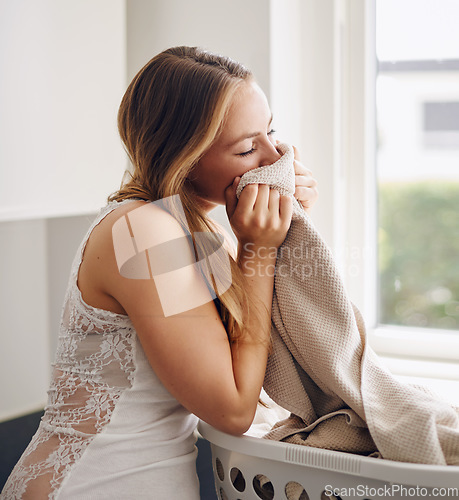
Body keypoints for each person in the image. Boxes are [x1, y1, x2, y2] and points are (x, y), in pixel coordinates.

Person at [1, 46, 318, 499]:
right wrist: (259, 250)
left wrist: (294, 224)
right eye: (248, 148)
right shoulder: (144, 231)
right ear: (185, 159)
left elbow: (264, 337)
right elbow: (230, 409)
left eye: (271, 133)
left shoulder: (197, 226)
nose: (274, 157)